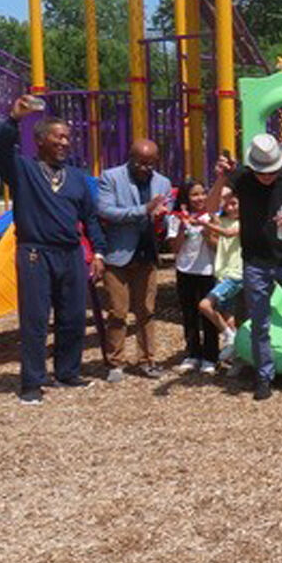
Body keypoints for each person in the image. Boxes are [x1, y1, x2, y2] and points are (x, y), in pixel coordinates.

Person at [0, 96, 107, 405]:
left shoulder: (78, 179)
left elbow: (91, 218)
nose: (65, 143)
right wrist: (14, 120)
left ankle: (67, 372)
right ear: (40, 140)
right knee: (35, 318)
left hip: (70, 253)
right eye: (58, 137)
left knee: (72, 316)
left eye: (68, 138)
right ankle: (32, 381)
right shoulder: (23, 171)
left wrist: (98, 253)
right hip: (35, 253)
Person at [206, 135, 282, 400]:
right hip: (256, 263)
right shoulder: (242, 178)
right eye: (262, 172)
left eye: (271, 171)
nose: (267, 177)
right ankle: (264, 377)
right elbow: (211, 207)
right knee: (260, 323)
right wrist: (221, 179)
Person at [96, 140, 172, 383]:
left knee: (146, 311)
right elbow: (106, 210)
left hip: (146, 253)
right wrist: (144, 209)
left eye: (151, 163)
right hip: (118, 255)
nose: (145, 168)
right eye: (140, 162)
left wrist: (161, 218)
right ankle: (115, 362)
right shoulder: (111, 177)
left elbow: (163, 218)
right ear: (130, 157)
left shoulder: (163, 182)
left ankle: (147, 359)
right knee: (118, 312)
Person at [167, 180, 218, 374]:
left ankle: (211, 355)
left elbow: (216, 245)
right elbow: (174, 248)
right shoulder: (176, 217)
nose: (200, 198)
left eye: (203, 193)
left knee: (209, 314)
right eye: (195, 195)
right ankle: (193, 353)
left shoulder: (212, 215)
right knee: (189, 314)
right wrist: (183, 228)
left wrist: (206, 230)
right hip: (185, 270)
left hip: (208, 270)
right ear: (185, 198)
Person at [198, 188, 242, 362]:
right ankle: (238, 351)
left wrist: (206, 224)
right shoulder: (222, 220)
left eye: (234, 203)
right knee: (228, 317)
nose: (230, 208)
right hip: (223, 274)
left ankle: (228, 337)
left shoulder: (244, 222)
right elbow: (211, 210)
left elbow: (229, 234)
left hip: (236, 275)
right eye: (227, 203)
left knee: (204, 305)